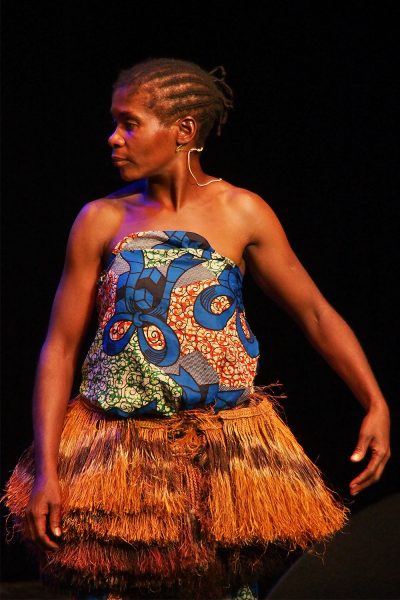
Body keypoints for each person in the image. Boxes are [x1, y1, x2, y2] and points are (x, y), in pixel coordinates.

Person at [3, 57, 390, 600]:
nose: (113, 138)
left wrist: (374, 400)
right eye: (115, 122)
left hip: (219, 460)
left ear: (184, 130)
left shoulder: (242, 213)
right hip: (118, 454)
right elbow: (60, 348)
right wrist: (48, 469)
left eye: (130, 122)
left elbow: (316, 313)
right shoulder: (100, 221)